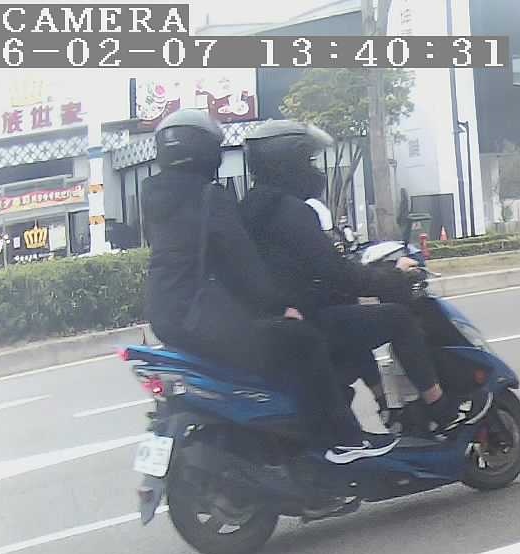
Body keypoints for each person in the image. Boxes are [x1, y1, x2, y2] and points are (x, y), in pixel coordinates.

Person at [141, 109, 395, 463]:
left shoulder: (154, 196)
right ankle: (341, 439)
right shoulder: (210, 197)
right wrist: (277, 306)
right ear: (205, 151)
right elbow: (241, 263)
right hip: (201, 316)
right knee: (303, 339)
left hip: (165, 315)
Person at [238, 121, 482, 435]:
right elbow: (337, 272)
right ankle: (439, 407)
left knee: (352, 315)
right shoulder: (291, 212)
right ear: (288, 163)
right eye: (308, 161)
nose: (314, 171)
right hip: (307, 320)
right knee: (399, 319)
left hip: (286, 315)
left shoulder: (254, 208)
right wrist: (393, 277)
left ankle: (388, 408)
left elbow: (308, 265)